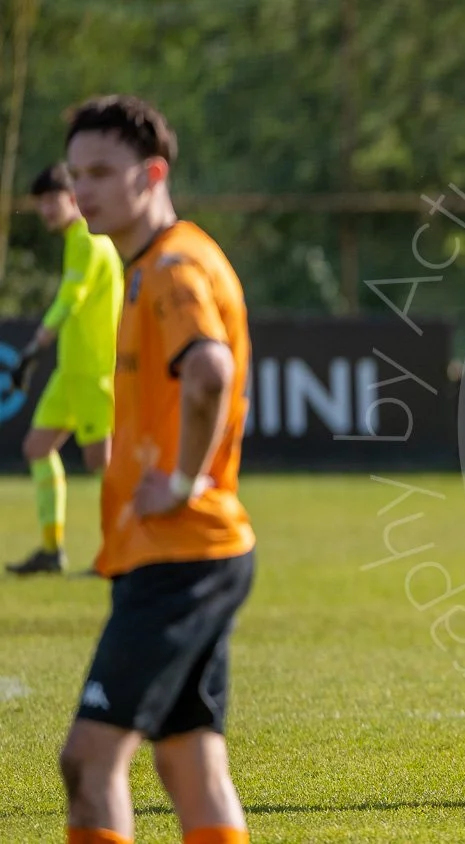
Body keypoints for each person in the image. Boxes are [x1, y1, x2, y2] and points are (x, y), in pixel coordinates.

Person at [58, 94, 256, 844]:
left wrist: (179, 482)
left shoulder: (172, 267)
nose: (83, 190)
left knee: (89, 762)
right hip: (184, 549)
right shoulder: (150, 264)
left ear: (152, 174)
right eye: (76, 174)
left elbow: (209, 372)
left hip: (180, 551)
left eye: (101, 172)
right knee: (189, 764)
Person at [5, 163, 123, 576]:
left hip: (93, 372)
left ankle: (121, 550)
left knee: (102, 463)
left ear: (73, 198)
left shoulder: (88, 239)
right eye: (40, 203)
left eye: (51, 200)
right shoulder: (79, 239)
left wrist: (34, 346)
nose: (45, 210)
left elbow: (70, 299)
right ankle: (51, 550)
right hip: (70, 372)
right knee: (37, 448)